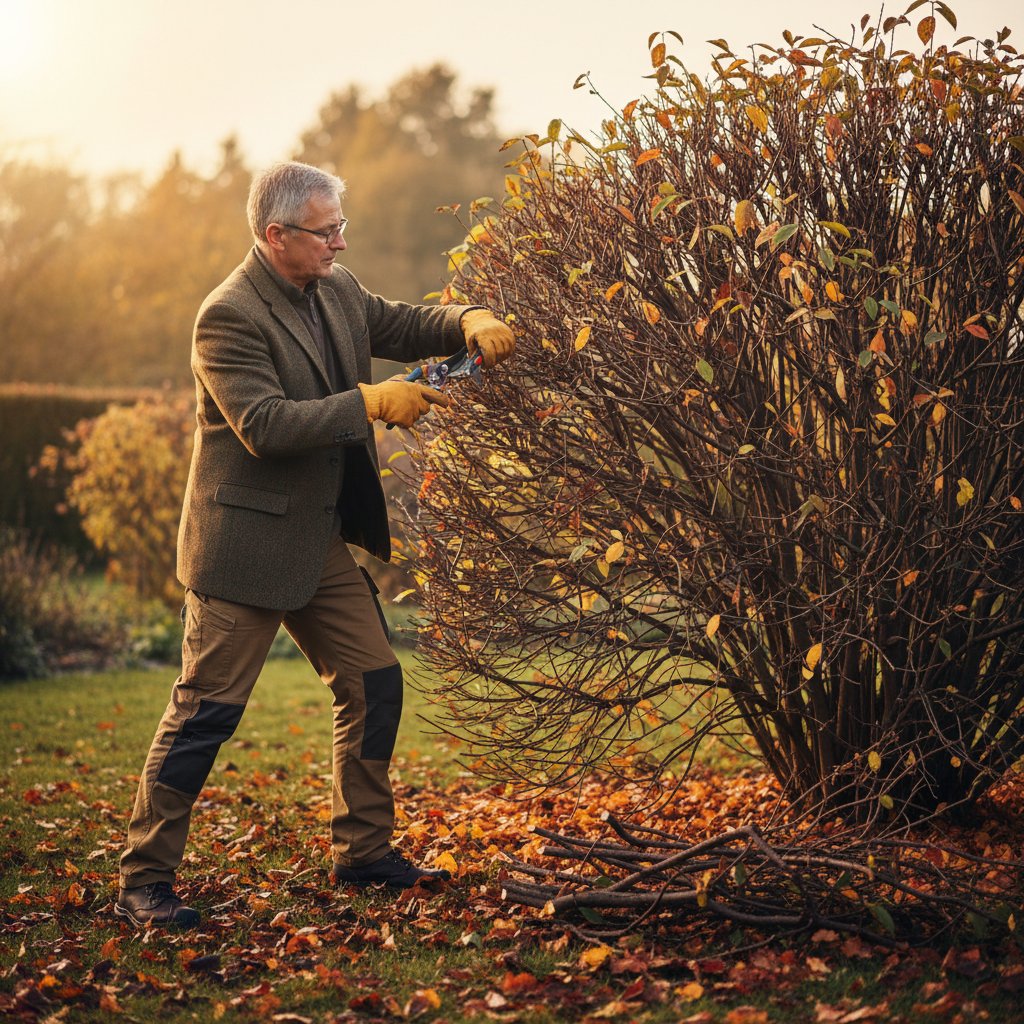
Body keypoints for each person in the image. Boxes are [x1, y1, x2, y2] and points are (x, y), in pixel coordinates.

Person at [115, 161, 514, 927]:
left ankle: (363, 854)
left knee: (375, 683)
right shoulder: (226, 316)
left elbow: (402, 323)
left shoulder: (337, 288)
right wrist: (368, 402)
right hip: (243, 549)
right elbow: (264, 425)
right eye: (326, 231)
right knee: (204, 715)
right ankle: (143, 879)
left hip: (318, 536)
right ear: (277, 236)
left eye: (341, 228)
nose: (339, 242)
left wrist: (471, 316)